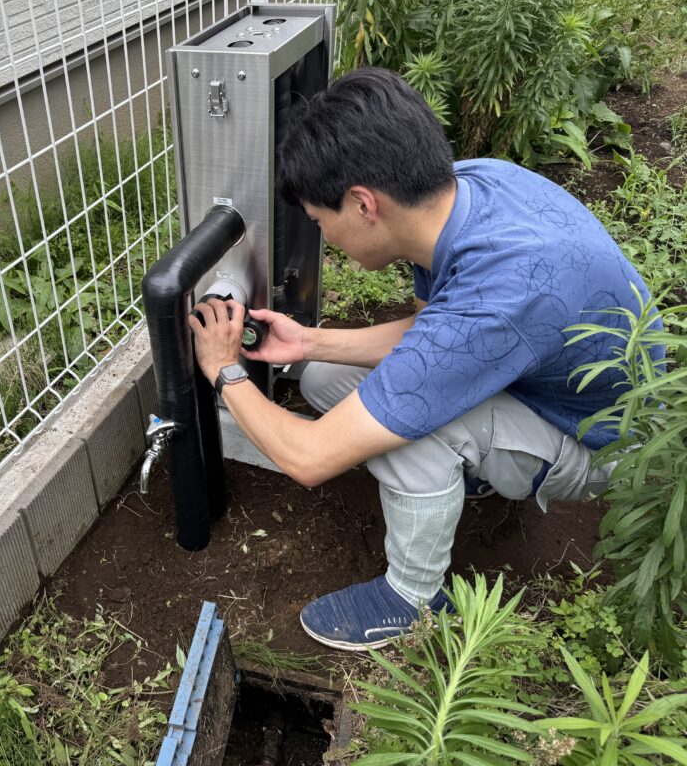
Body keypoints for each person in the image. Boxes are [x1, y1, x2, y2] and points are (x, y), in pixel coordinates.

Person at [187, 67, 659, 651]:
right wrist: (309, 343)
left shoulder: (502, 293)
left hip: (606, 443)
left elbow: (309, 458)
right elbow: (433, 330)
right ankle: (470, 473)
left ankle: (413, 599)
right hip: (545, 378)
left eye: (319, 222)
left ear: (363, 204)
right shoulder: (466, 188)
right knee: (328, 378)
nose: (325, 238)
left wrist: (225, 370)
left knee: (417, 427)